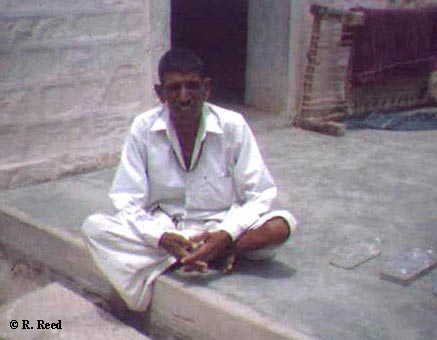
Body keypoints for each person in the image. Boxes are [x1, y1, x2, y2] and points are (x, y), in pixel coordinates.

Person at [81, 48, 297, 311]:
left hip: (220, 226)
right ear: (160, 94)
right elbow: (126, 198)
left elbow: (260, 193)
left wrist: (226, 235)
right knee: (95, 227)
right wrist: (161, 237)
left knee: (281, 226)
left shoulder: (233, 125)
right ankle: (202, 256)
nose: (184, 97)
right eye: (174, 88)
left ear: (206, 88)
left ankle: (201, 254)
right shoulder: (143, 128)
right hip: (166, 228)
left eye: (192, 87)